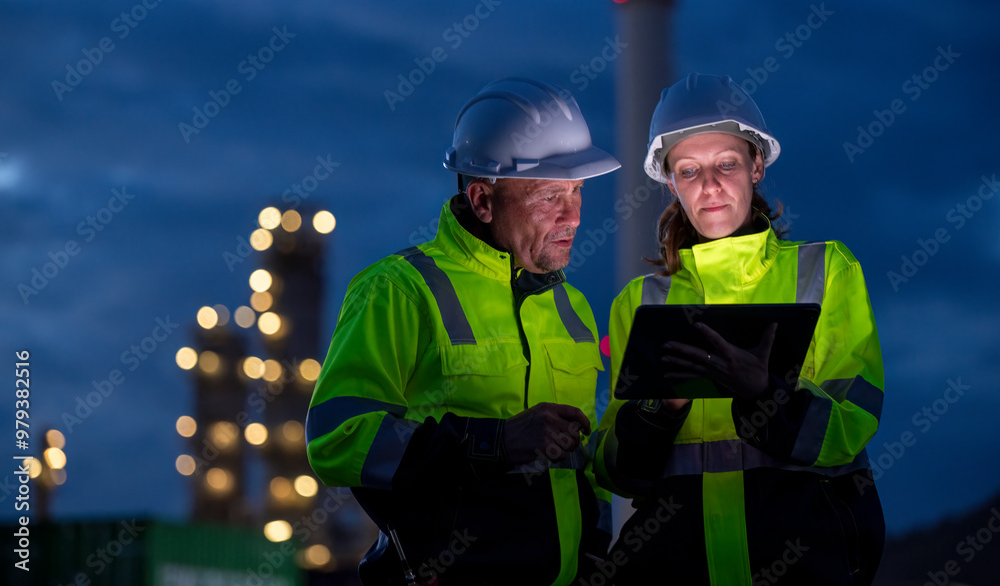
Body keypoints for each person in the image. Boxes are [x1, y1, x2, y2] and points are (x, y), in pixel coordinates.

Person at [306, 77, 620, 585]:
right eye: (548, 197)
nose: (573, 216)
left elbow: (582, 467)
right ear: (482, 200)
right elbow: (336, 436)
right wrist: (491, 442)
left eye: (577, 192)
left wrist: (595, 555)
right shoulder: (400, 289)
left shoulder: (571, 306)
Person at [594, 73, 885, 585]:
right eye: (689, 170)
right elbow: (616, 470)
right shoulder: (640, 302)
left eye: (726, 165)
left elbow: (852, 423)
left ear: (756, 166)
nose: (708, 186)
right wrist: (660, 409)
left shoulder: (826, 271)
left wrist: (764, 398)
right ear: (670, 181)